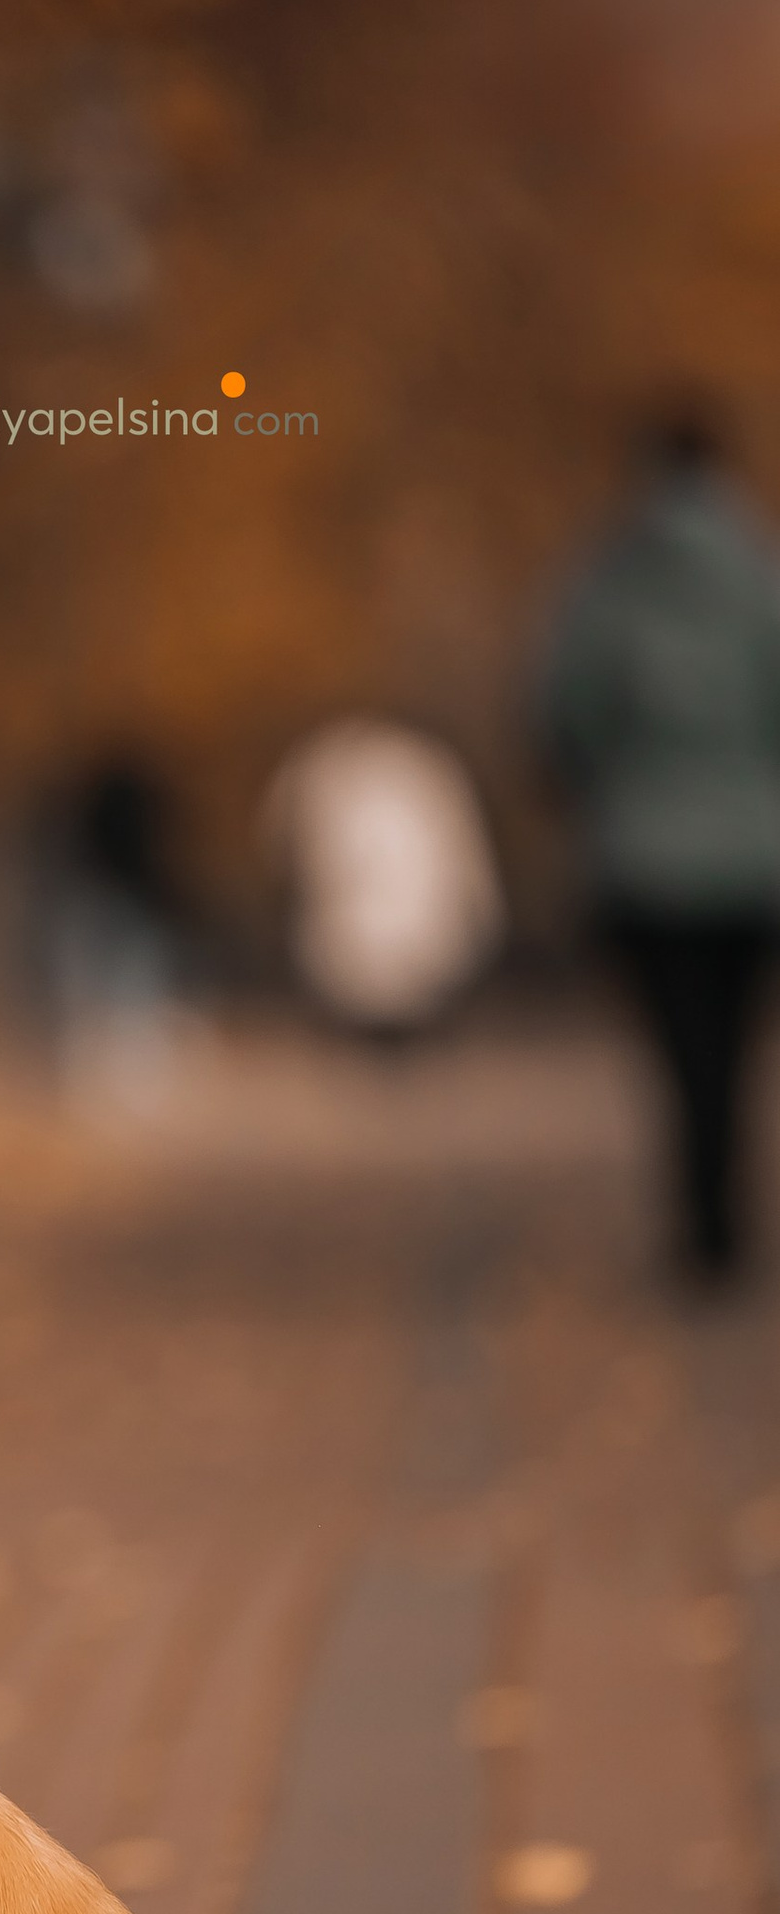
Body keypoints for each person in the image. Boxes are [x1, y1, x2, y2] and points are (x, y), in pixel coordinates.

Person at [541, 399, 780, 1280]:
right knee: (735, 1048)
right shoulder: (761, 576)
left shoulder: (609, 582)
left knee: (681, 1052)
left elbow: (566, 710)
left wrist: (598, 790)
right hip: (757, 855)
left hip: (644, 857)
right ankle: (726, 1218)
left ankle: (701, 1219)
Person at [260, 716, 504, 1042]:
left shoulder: (330, 771)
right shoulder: (420, 769)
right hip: (405, 951)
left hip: (390, 952)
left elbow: (278, 846)